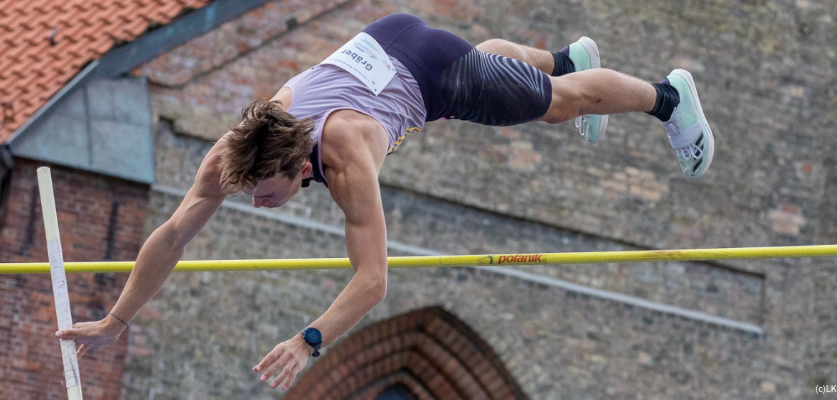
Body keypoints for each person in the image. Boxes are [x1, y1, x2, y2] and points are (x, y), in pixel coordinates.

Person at [54, 13, 715, 391]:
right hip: (388, 41)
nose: (257, 201)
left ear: (297, 163)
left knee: (557, 106)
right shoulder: (236, 151)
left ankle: (665, 97)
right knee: (490, 66)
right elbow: (172, 235)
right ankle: (563, 55)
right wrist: (115, 319)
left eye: (268, 191)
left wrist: (309, 341)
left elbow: (373, 282)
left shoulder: (345, 159)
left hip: (430, 74)